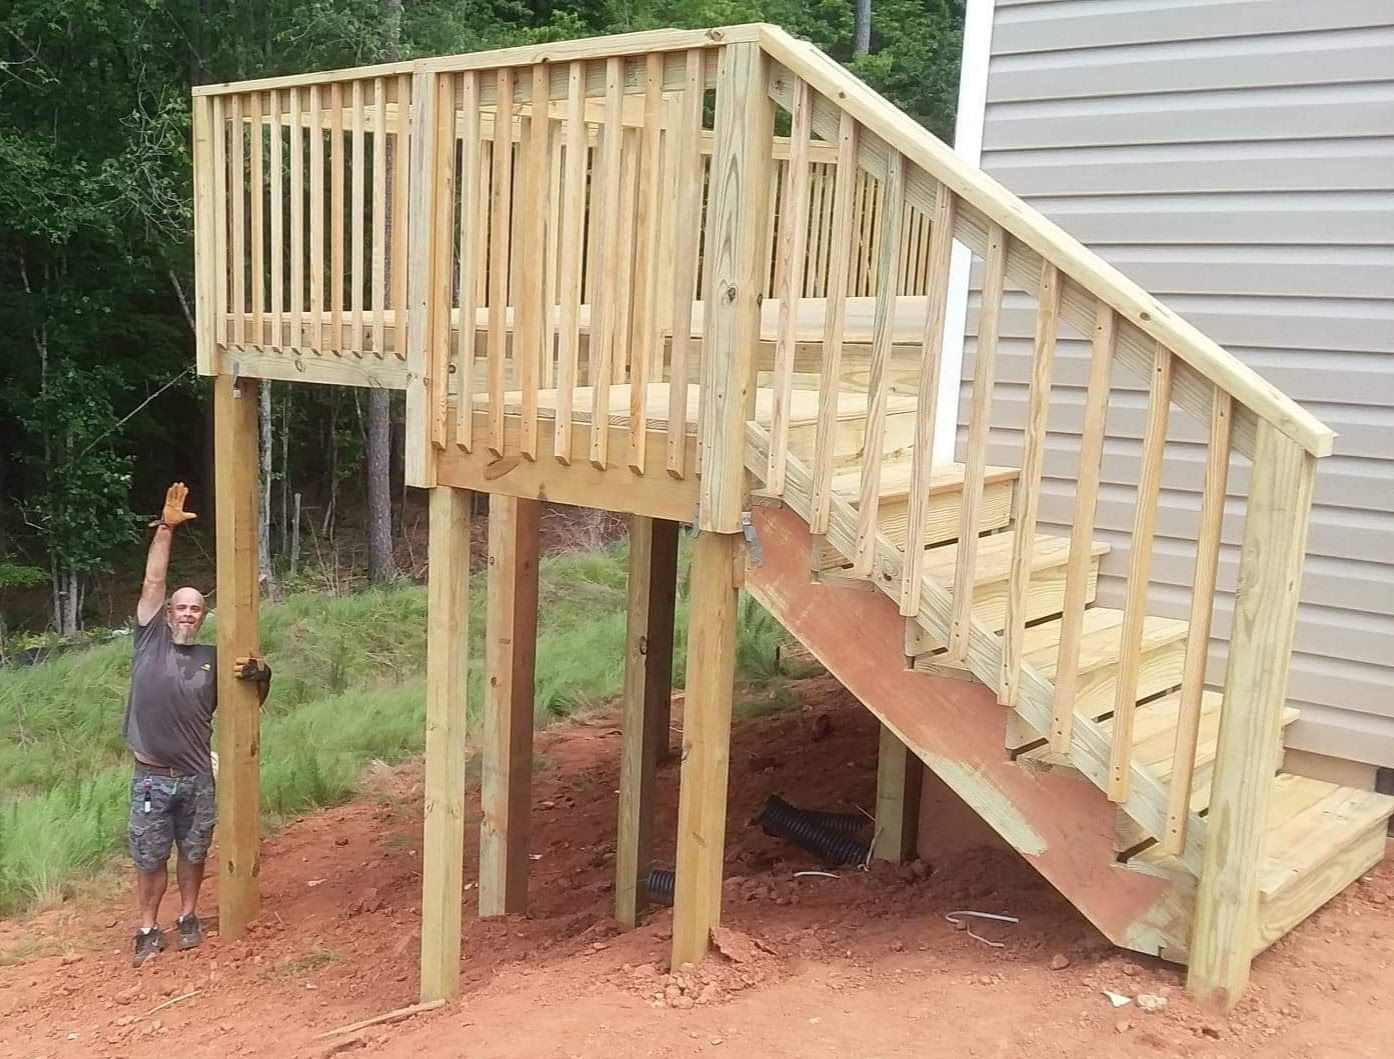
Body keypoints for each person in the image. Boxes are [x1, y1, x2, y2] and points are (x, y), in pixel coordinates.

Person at [124, 482, 270, 967]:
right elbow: (151, 581)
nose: (187, 612)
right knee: (149, 858)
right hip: (151, 776)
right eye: (180, 606)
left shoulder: (214, 659)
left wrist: (260, 676)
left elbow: (250, 704)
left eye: (196, 608)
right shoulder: (150, 640)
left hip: (195, 778)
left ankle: (188, 917)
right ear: (166, 613)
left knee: (193, 850)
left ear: (203, 616)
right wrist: (166, 528)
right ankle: (147, 926)